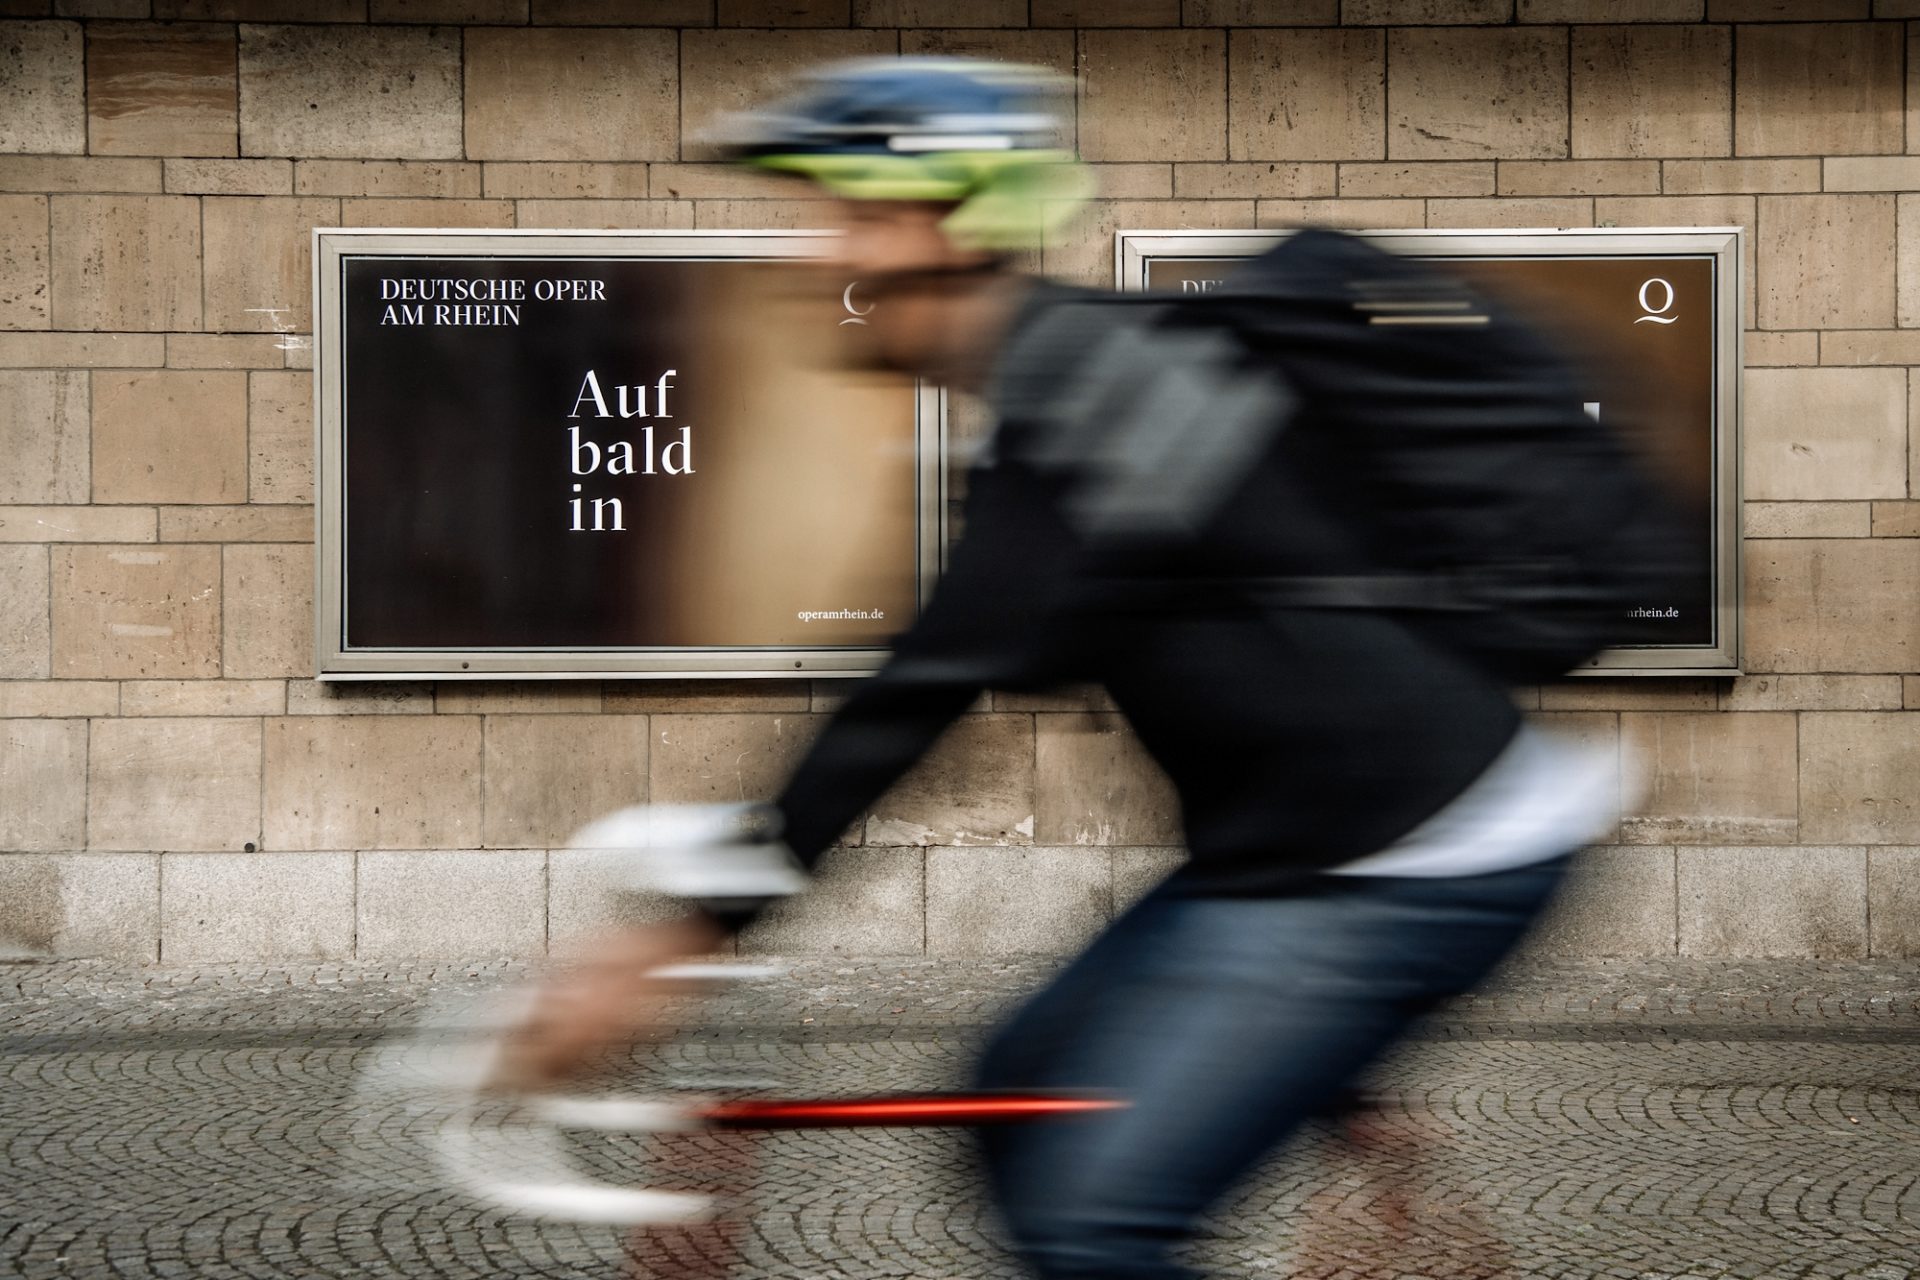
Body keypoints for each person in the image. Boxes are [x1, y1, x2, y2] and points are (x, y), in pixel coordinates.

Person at [510, 58, 1639, 1280]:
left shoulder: (1086, 408)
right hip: (1283, 854)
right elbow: (944, 666)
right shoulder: (1075, 391)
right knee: (1018, 1091)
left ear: (938, 224)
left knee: (1096, 1224)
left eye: (835, 215)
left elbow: (916, 694)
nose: (804, 256)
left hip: (1421, 856)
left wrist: (672, 940)